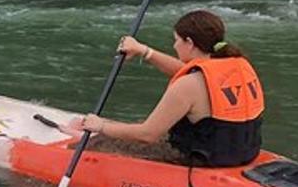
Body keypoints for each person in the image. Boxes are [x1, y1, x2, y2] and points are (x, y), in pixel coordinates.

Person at [63, 9, 265, 167]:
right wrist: (145, 51)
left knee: (103, 140)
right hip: (244, 151)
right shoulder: (236, 64)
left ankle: (68, 148)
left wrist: (100, 126)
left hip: (202, 159)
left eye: (176, 40)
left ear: (189, 42)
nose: (175, 46)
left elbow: (148, 135)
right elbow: (184, 71)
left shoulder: (188, 85)